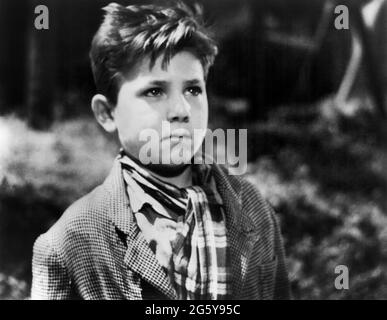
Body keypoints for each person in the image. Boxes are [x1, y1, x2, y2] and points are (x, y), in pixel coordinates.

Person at [31, 1, 290, 300]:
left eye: (193, 89)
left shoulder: (253, 209)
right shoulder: (68, 243)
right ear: (107, 113)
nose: (180, 110)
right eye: (154, 91)